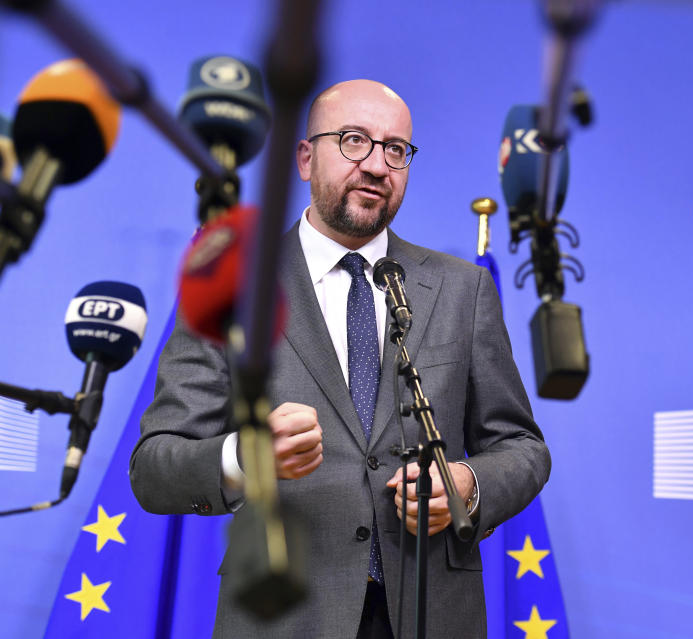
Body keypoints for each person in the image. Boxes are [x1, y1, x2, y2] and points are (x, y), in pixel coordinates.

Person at [130, 79, 550, 638]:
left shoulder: (461, 290)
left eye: (395, 149)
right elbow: (155, 467)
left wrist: (467, 483)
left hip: (432, 614)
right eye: (354, 141)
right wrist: (244, 455)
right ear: (305, 158)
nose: (377, 165)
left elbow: (522, 447)